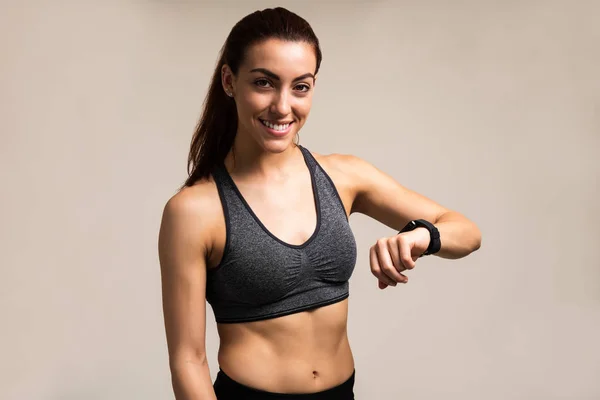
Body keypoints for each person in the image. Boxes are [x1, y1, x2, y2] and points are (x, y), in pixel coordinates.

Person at [158, 7, 482, 400]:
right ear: (229, 81)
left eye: (301, 86)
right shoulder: (194, 210)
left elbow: (466, 233)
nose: (282, 107)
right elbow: (188, 361)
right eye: (264, 83)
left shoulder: (344, 177)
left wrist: (421, 237)